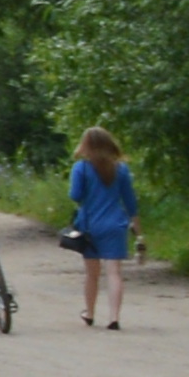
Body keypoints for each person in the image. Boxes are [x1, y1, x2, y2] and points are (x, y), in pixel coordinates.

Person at [66, 124, 140, 328]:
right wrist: (138, 232)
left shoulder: (81, 168)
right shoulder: (121, 169)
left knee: (92, 274)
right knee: (114, 273)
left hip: (90, 226)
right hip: (116, 224)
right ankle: (114, 317)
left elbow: (75, 195)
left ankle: (89, 313)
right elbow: (130, 202)